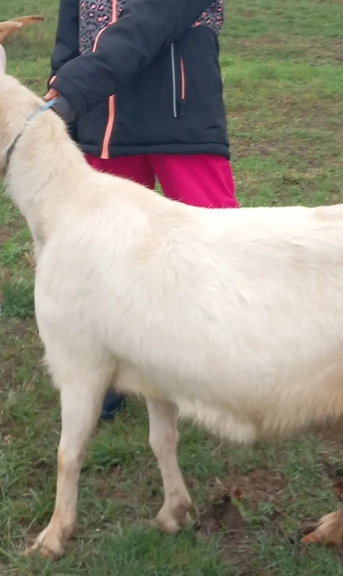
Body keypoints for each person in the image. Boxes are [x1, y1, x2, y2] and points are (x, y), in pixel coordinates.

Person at [43, 0, 238, 421]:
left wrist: (77, 86)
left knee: (222, 246)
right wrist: (63, 94)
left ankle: (232, 365)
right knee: (100, 255)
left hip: (181, 113)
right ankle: (110, 368)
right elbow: (70, 33)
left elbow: (155, 17)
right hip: (101, 119)